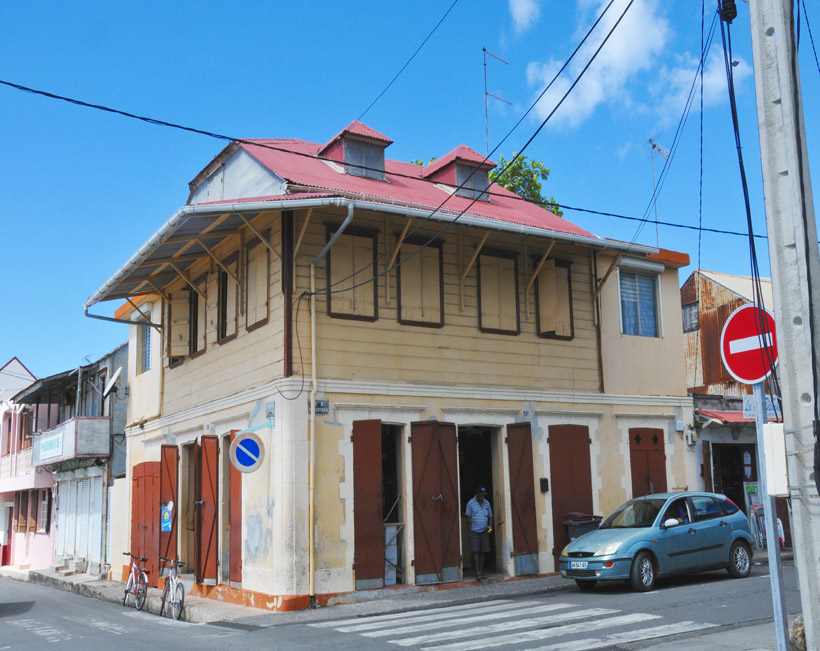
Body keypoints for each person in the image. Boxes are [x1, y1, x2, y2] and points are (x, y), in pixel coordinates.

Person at [465, 486, 493, 580]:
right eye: (482, 495)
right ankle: (477, 573)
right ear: (477, 494)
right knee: (476, 551)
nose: (483, 497)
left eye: (484, 495)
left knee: (483, 551)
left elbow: (490, 516)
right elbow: (468, 516)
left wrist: (490, 528)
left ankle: (481, 571)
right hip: (474, 531)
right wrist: (470, 528)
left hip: (485, 530)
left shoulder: (487, 503)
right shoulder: (471, 503)